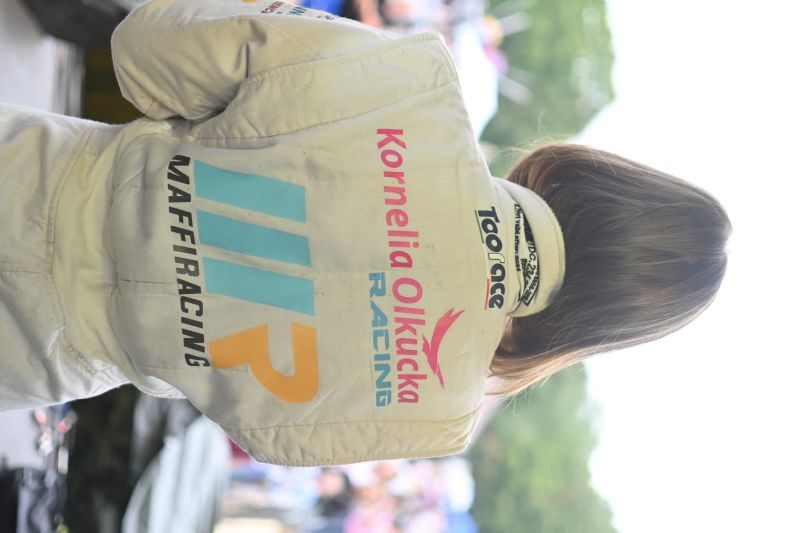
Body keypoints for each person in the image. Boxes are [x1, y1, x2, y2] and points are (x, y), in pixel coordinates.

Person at [0, 0, 730, 466]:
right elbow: (259, 429)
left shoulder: (416, 80)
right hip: (43, 355)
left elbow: (142, 48)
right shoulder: (439, 413)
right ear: (605, 323)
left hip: (32, 172)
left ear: (601, 174)